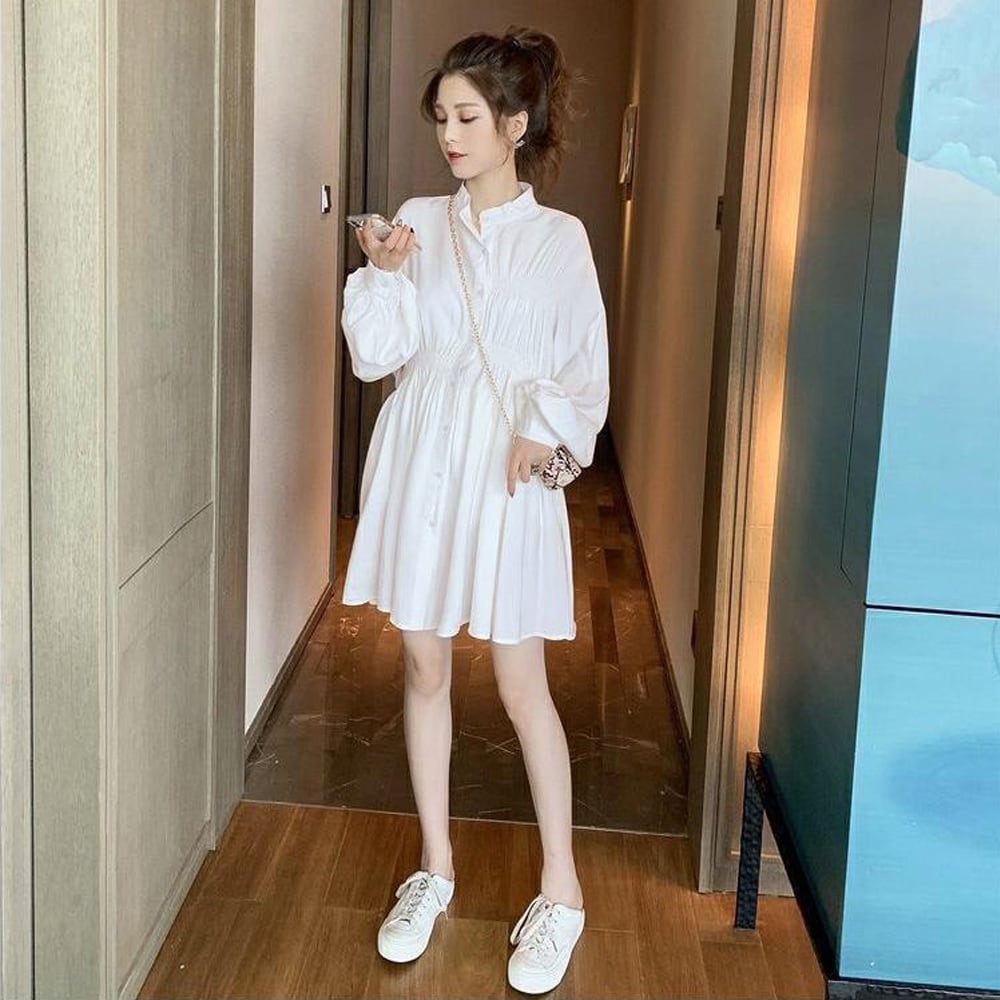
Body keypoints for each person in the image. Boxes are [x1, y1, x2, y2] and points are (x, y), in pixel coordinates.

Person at [340, 25, 609, 995]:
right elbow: (378, 358)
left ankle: (562, 889)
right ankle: (435, 868)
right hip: (423, 464)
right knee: (421, 662)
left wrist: (545, 429)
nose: (448, 136)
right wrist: (383, 272)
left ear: (514, 124)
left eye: (466, 118)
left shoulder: (560, 240)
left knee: (520, 678)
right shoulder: (419, 220)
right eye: (441, 119)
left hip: (505, 474)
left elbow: (583, 368)